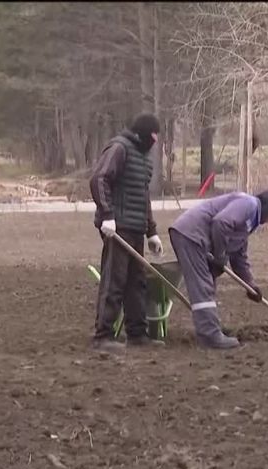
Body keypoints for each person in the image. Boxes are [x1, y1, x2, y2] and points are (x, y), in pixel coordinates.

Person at [168, 189, 268, 349]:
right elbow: (221, 222)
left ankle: (210, 328)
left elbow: (239, 256)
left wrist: (250, 285)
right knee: (202, 286)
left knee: (208, 284)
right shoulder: (249, 204)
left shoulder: (250, 221)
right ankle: (210, 336)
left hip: (196, 238)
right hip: (191, 235)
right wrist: (220, 254)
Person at [90, 113, 165, 353]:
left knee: (137, 282)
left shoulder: (144, 159)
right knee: (115, 280)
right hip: (116, 227)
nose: (154, 142)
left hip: (135, 228)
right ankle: (103, 335)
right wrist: (107, 215)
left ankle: (137, 334)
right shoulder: (119, 148)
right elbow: (98, 180)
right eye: (152, 137)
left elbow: (143, 197)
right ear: (142, 134)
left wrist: (151, 231)